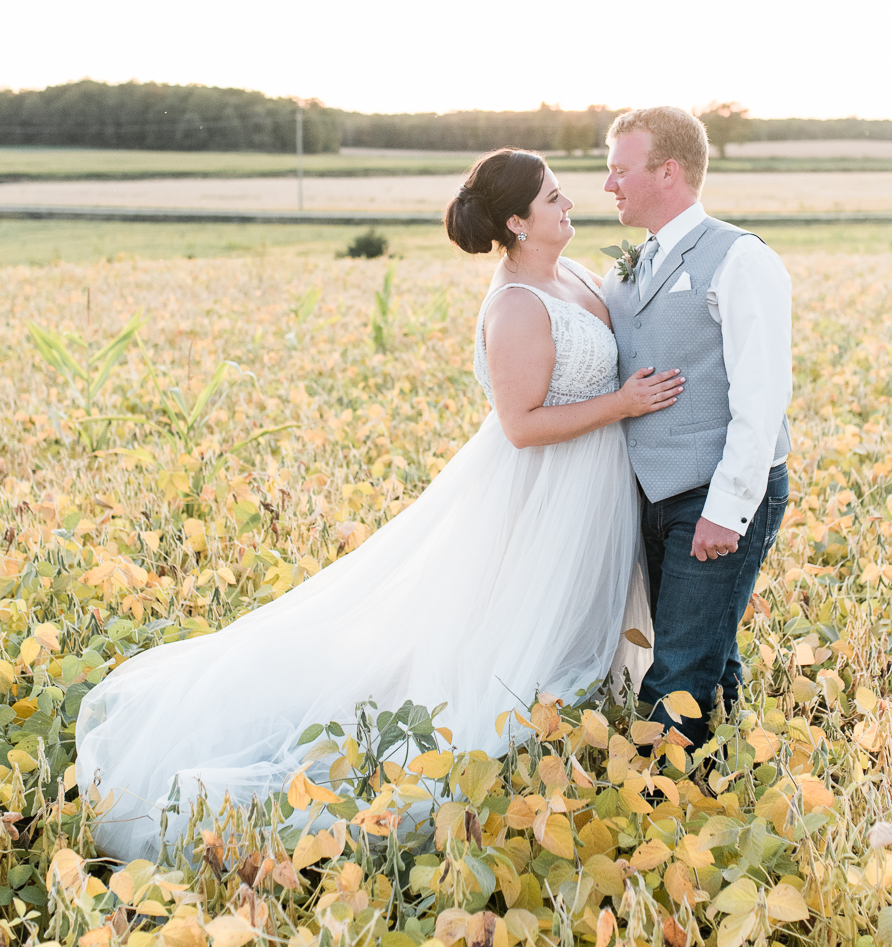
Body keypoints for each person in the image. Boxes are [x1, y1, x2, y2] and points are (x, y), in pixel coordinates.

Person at [76, 148, 680, 863]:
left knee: (571, 627)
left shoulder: (575, 274)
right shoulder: (516, 303)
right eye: (553, 199)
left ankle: (578, 745)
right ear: (517, 222)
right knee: (518, 642)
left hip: (589, 490)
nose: (570, 205)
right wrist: (623, 404)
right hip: (541, 493)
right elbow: (519, 425)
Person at [602, 106, 792, 750]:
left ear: (668, 171)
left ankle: (654, 803)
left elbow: (761, 399)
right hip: (654, 495)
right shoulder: (630, 266)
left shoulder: (740, 258)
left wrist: (728, 509)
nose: (609, 186)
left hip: (717, 493)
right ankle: (729, 763)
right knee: (707, 645)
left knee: (677, 665)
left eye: (620, 170)